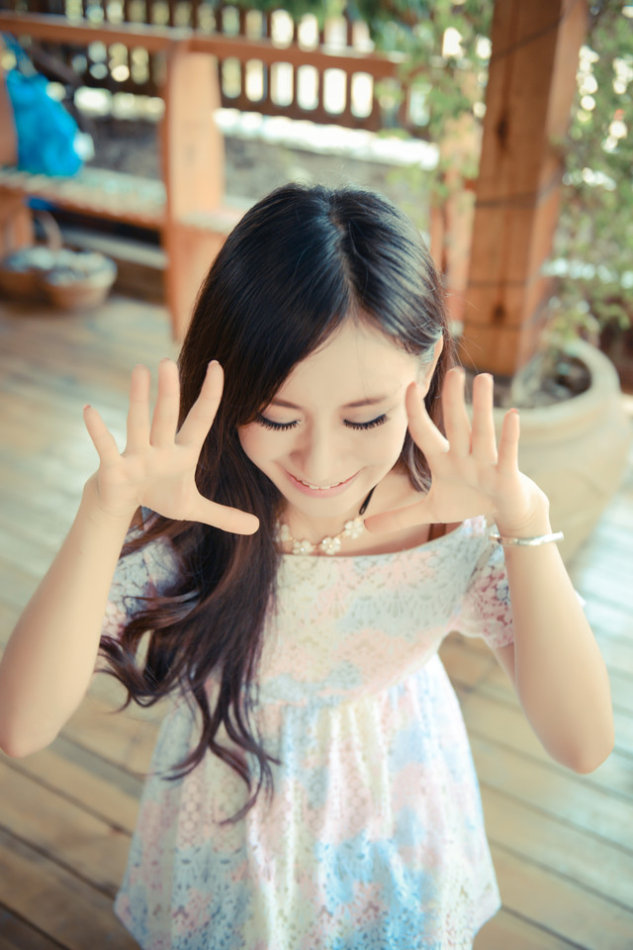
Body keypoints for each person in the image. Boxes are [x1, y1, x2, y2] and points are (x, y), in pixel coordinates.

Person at [0, 184, 614, 949]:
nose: (320, 463)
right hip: (227, 822)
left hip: (398, 812)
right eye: (277, 416)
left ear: (422, 373)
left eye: (364, 418)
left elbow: (583, 742)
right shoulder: (198, 513)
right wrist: (103, 513)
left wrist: (524, 521)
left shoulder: (459, 516)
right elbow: (20, 727)